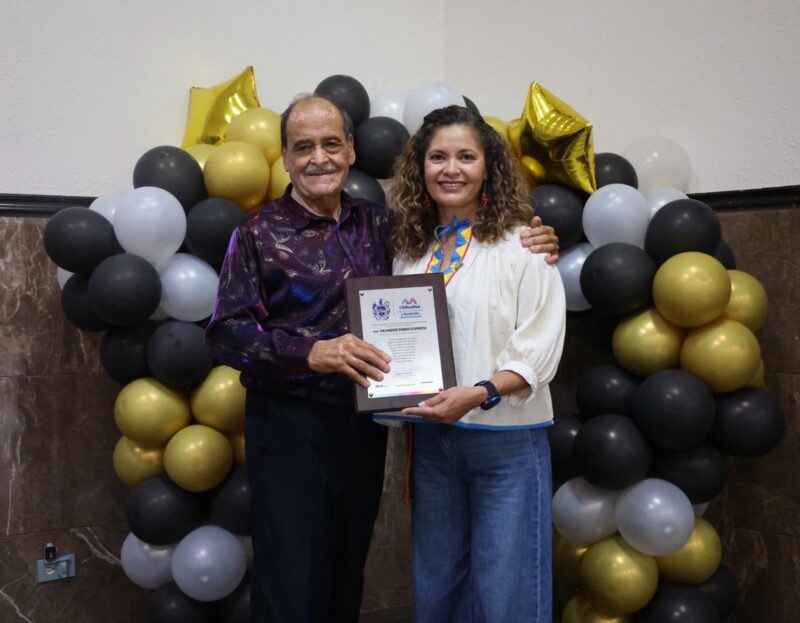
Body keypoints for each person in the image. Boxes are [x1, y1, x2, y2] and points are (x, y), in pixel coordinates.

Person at [206, 94, 560, 623]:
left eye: (331, 144)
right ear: (285, 157)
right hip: (289, 427)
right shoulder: (257, 233)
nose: (319, 158)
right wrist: (311, 352)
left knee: (347, 568)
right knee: (291, 574)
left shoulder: (383, 227)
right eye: (304, 147)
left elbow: (481, 272)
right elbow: (226, 334)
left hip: (366, 430)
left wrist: (541, 238)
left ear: (351, 150)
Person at [388, 105, 567, 623]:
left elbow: (540, 348)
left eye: (466, 157)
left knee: (506, 591)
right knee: (437, 587)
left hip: (505, 441)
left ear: (488, 167)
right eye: (437, 157)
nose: (451, 169)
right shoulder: (410, 253)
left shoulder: (524, 245)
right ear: (420, 168)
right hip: (433, 443)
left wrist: (480, 392)